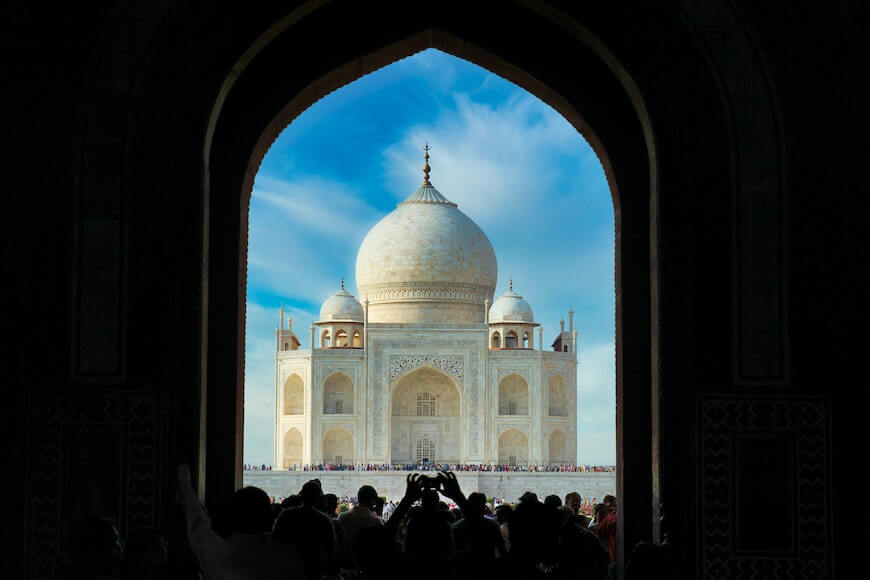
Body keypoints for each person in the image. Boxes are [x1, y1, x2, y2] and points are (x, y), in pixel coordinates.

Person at [175, 465, 306, 580]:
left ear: (231, 517)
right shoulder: (286, 558)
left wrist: (183, 477)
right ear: (269, 520)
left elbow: (197, 521)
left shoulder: (215, 553)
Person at [272, 479, 338, 579]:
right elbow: (331, 550)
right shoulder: (324, 520)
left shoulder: (286, 515)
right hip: (314, 568)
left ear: (301, 496)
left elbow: (276, 541)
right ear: (319, 498)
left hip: (288, 566)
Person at [337, 484, 384, 568]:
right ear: (373, 501)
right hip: (368, 567)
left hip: (345, 565)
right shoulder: (375, 521)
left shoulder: (342, 517)